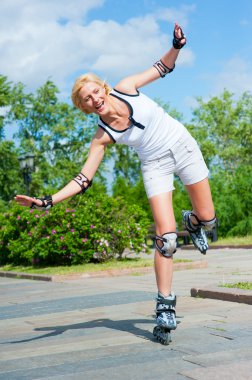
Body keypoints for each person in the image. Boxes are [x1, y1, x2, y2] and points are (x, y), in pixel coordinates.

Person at [15, 23, 216, 335]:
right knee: (167, 238)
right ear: (84, 108)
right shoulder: (101, 137)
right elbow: (83, 179)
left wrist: (176, 45)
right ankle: (165, 305)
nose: (94, 98)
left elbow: (162, 68)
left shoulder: (127, 87)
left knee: (209, 219)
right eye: (87, 99)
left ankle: (195, 221)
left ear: (104, 88)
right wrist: (46, 201)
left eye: (95, 91)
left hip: (183, 145)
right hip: (154, 164)